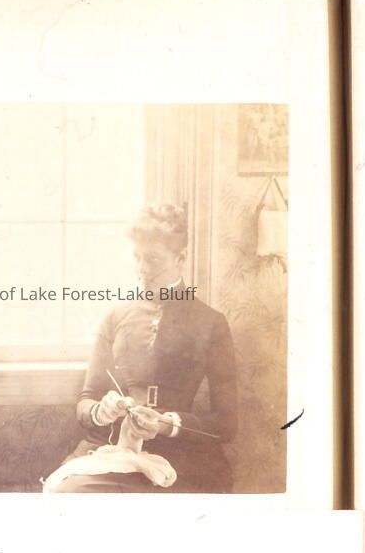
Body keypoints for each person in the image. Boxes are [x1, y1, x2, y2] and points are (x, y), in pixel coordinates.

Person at [50, 204, 238, 493]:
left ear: (181, 258)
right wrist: (101, 411)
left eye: (153, 259)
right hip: (112, 449)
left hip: (181, 456)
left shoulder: (211, 323)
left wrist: (166, 424)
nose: (142, 269)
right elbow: (87, 400)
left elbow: (227, 423)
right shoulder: (115, 318)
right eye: (137, 258)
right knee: (71, 493)